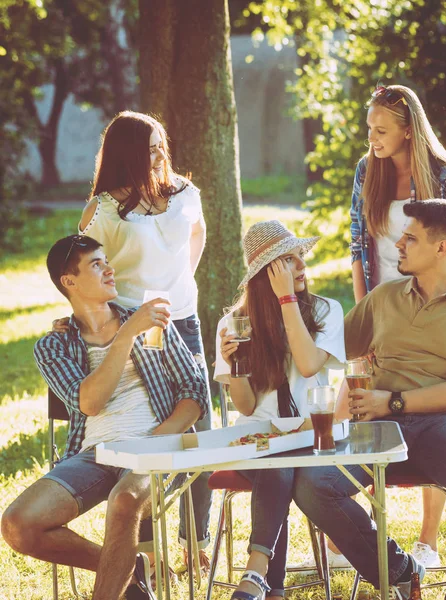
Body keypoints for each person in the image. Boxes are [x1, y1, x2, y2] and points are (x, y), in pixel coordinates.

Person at [292, 200, 446, 600]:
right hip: (378, 428)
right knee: (312, 482)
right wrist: (289, 292)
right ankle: (400, 570)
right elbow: (324, 344)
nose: (398, 245)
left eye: (411, 237)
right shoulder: (384, 297)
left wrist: (394, 401)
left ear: (442, 248)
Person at [1, 235, 209, 600]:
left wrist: (160, 438)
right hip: (94, 454)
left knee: (126, 500)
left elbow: (195, 392)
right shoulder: (53, 346)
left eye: (106, 260)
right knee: (18, 526)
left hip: (157, 448)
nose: (110, 268)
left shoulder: (153, 322)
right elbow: (90, 403)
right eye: (96, 264)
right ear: (70, 282)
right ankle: (131, 566)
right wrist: (127, 335)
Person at [344, 83, 446, 569]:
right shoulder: (367, 172)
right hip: (386, 301)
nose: (372, 137)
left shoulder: (444, 175)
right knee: (378, 406)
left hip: (437, 293)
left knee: (435, 403)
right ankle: (357, 540)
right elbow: (356, 249)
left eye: (382, 129)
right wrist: (367, 318)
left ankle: (428, 541)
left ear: (409, 130)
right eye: (369, 128)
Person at [52, 110, 213, 572]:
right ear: (126, 153)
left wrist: (181, 280)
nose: (159, 151)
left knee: (196, 425)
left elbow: (196, 235)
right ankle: (144, 547)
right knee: (147, 426)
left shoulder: (186, 194)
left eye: (161, 141)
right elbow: (79, 273)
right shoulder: (103, 210)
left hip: (182, 321)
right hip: (131, 329)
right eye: (148, 146)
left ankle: (194, 537)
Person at [214, 220, 345, 600]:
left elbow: (307, 365)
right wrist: (235, 366)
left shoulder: (325, 311)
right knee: (275, 460)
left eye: (300, 256)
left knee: (280, 461)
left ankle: (262, 579)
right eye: (287, 261)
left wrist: (287, 299)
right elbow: (246, 405)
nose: (300, 266)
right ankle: (266, 583)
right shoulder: (234, 322)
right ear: (264, 275)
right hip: (254, 437)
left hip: (310, 435)